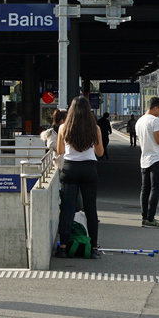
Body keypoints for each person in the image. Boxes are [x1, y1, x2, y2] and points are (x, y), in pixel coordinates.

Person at [55, 95, 105, 258]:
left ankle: (62, 247)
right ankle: (94, 249)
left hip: (70, 169)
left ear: (71, 111)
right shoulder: (95, 128)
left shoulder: (63, 128)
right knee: (91, 209)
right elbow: (100, 152)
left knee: (67, 209)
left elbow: (60, 151)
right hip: (89, 170)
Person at [135, 98, 159, 227]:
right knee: (155, 189)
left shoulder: (139, 121)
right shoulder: (155, 120)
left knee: (144, 189)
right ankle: (151, 218)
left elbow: (141, 140)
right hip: (156, 159)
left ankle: (144, 217)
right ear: (155, 108)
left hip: (144, 159)